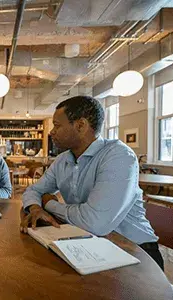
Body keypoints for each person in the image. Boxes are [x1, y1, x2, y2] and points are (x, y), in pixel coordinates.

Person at [20, 96, 164, 270]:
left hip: (136, 252)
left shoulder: (119, 156)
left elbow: (95, 223)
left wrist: (48, 203)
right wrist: (35, 208)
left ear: (80, 126)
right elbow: (33, 190)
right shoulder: (62, 160)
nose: (51, 132)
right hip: (90, 246)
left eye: (57, 125)